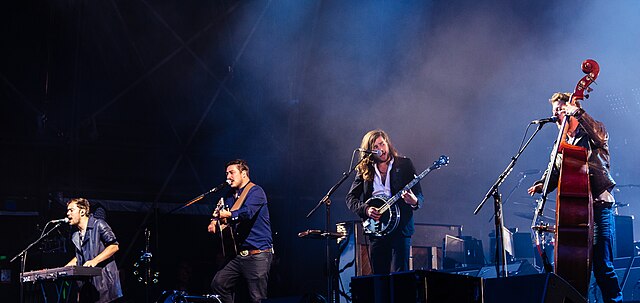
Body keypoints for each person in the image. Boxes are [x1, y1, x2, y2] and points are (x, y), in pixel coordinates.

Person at [527, 92, 622, 302]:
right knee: (574, 268)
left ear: (571, 110)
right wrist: (542, 184)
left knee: (602, 266)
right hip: (577, 212)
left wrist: (579, 112)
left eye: (561, 110)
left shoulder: (591, 132)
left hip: (599, 206)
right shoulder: (559, 143)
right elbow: (553, 171)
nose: (557, 115)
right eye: (554, 112)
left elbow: (601, 135)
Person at [346, 129, 424, 274]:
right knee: (379, 277)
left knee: (400, 276)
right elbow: (351, 198)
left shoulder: (405, 164)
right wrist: (366, 209)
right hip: (377, 229)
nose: (381, 149)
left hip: (400, 228)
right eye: (375, 147)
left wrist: (413, 201)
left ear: (387, 143)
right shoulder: (364, 169)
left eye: (382, 144)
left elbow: (419, 195)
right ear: (369, 151)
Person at [208, 159, 273, 303]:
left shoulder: (256, 191)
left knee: (257, 298)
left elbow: (247, 213)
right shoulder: (228, 196)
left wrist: (229, 215)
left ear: (243, 173)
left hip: (257, 254)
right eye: (226, 174)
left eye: (232, 173)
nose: (228, 177)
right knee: (219, 284)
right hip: (237, 255)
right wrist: (214, 222)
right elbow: (219, 212)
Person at [64, 198, 123, 303]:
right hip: (88, 286)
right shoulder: (75, 235)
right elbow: (79, 256)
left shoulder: (99, 224)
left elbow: (114, 246)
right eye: (68, 210)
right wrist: (64, 269)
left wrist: (95, 261)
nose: (68, 213)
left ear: (82, 211)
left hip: (105, 284)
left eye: (71, 210)